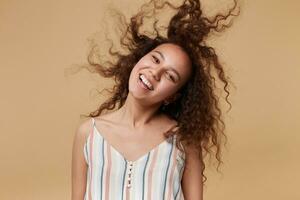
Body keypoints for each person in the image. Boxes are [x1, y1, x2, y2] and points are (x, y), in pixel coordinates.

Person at [71, 0, 240, 199]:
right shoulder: (89, 133)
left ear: (173, 95)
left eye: (170, 76)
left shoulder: (183, 141)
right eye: (156, 59)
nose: (155, 73)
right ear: (139, 59)